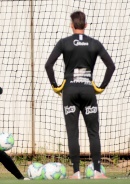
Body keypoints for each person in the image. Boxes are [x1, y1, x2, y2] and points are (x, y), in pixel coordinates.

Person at [45, 11, 115, 179]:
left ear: (71, 25)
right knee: (93, 131)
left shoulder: (64, 43)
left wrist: (55, 86)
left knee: (72, 132)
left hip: (69, 91)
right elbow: (111, 66)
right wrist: (101, 87)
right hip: (88, 91)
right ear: (85, 25)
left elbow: (48, 65)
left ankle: (76, 172)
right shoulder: (95, 43)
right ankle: (97, 171)